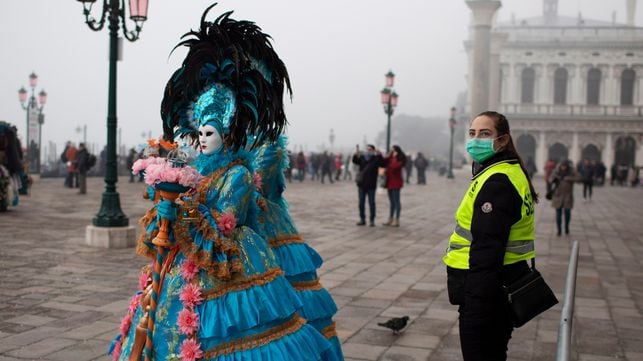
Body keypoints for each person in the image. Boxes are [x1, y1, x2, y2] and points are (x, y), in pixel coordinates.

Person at [110, 6, 331, 360]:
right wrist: (167, 194)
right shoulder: (198, 164)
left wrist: (185, 210)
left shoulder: (240, 172)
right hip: (187, 257)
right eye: (200, 132)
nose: (204, 138)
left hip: (230, 257)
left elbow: (227, 220)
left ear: (226, 131)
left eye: (211, 131)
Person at [444, 111, 539, 361]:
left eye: (485, 134)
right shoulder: (508, 172)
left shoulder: (497, 181)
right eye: (472, 133)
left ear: (503, 140)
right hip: (503, 284)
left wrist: (476, 308)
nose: (476, 140)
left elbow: (487, 250)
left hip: (487, 293)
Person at [352, 144, 384, 226]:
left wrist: (380, 155)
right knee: (361, 202)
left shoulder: (376, 158)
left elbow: (383, 164)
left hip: (371, 184)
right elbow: (355, 161)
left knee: (372, 203)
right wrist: (355, 154)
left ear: (373, 150)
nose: (368, 151)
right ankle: (362, 219)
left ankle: (372, 220)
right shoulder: (362, 158)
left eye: (370, 149)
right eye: (367, 149)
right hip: (362, 184)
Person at [549, 160, 580, 236]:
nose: (563, 168)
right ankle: (559, 230)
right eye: (562, 166)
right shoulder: (556, 172)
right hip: (558, 196)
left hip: (568, 196)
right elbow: (550, 180)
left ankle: (566, 227)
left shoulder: (571, 172)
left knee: (567, 212)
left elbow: (578, 179)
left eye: (565, 166)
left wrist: (569, 178)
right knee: (558, 213)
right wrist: (554, 179)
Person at [383, 145, 406, 227]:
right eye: (392, 151)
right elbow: (383, 162)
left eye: (394, 151)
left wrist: (393, 159)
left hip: (396, 182)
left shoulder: (400, 159)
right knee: (391, 202)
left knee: (396, 201)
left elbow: (395, 166)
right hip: (389, 182)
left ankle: (397, 219)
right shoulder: (390, 158)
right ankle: (390, 218)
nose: (393, 152)